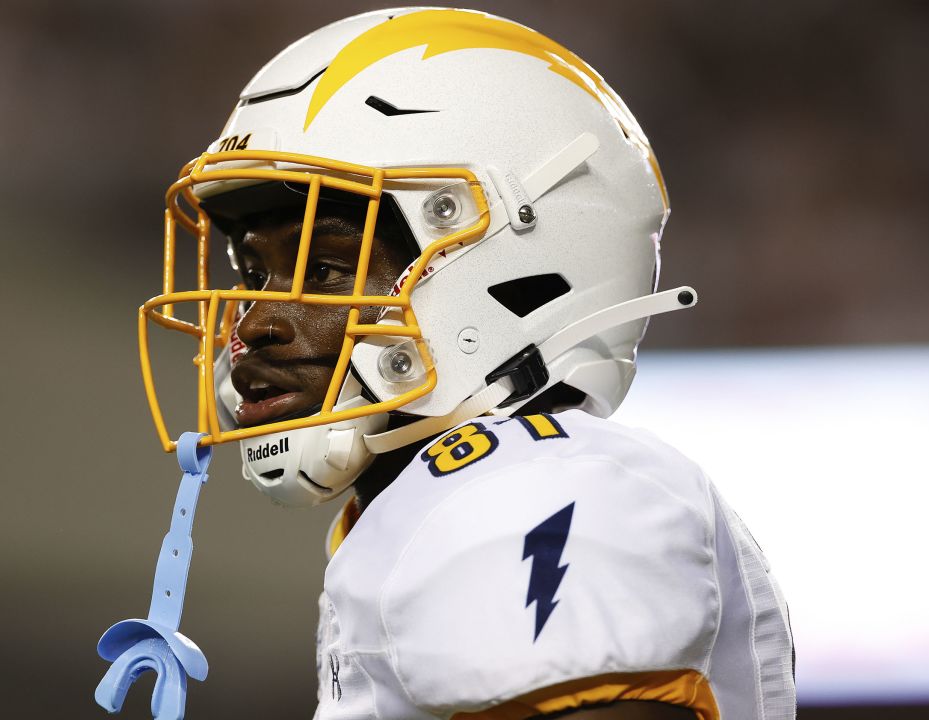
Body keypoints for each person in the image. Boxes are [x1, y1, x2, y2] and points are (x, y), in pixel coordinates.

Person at [134, 8, 795, 719]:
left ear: (514, 259)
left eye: (324, 268)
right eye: (254, 276)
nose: (254, 324)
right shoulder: (440, 500)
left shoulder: (537, 489)